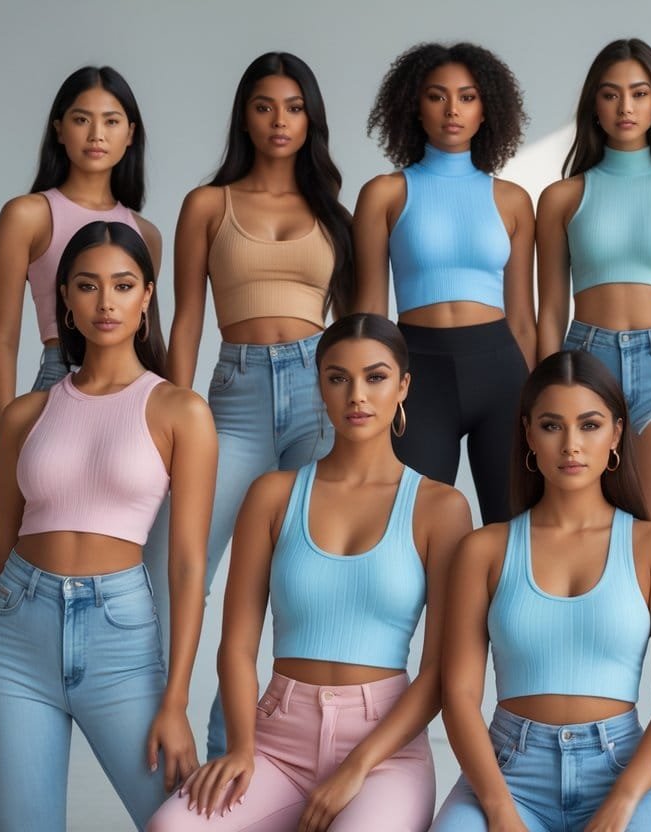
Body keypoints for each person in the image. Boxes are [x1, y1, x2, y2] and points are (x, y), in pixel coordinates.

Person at [0, 221, 217, 830]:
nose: (106, 301)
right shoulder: (25, 414)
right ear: (64, 296)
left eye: (123, 285)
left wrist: (177, 698)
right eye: (88, 286)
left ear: (147, 296)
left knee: (182, 821)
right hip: (13, 634)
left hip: (121, 639)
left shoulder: (180, 411)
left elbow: (188, 564)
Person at [147, 313, 471, 831]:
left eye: (376, 377)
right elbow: (235, 646)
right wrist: (241, 747)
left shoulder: (440, 508)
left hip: (383, 750)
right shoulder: (273, 495)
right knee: (171, 827)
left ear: (404, 385)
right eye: (338, 378)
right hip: (277, 739)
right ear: (319, 384)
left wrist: (357, 767)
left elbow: (437, 672)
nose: (356, 395)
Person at [154, 51, 354, 758]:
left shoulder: (333, 212)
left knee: (304, 581)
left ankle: (257, 742)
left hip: (316, 395)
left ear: (311, 119)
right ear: (245, 113)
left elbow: (357, 336)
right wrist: (168, 419)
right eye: (265, 105)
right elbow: (183, 321)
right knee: (177, 567)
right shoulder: (209, 205)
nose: (279, 120)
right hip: (231, 398)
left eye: (294, 107)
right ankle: (182, 731)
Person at [432, 350, 651, 831]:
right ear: (529, 435)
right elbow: (459, 694)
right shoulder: (485, 549)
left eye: (590, 425)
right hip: (508, 774)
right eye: (553, 426)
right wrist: (497, 809)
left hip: (621, 771)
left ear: (616, 433)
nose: (571, 445)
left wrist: (623, 802)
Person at [537, 37, 651, 525]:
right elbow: (550, 308)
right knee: (588, 526)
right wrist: (545, 393)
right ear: (593, 105)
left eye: (639, 93)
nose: (625, 106)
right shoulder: (561, 198)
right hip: (586, 361)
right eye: (611, 93)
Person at [355, 41, 534, 524]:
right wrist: (371, 388)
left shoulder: (513, 200)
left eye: (468, 97)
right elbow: (368, 316)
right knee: (410, 527)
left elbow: (522, 317)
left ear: (486, 110)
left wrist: (539, 399)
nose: (452, 109)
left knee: (515, 527)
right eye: (437, 96)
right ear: (414, 106)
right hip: (418, 372)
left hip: (501, 371)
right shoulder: (384, 194)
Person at [0, 66, 161, 446]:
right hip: (58, 376)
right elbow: (3, 339)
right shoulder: (27, 216)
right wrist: (5, 437)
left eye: (111, 121)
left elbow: (147, 334)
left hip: (131, 389)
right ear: (59, 129)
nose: (96, 134)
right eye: (81, 119)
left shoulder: (145, 234)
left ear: (130, 133)